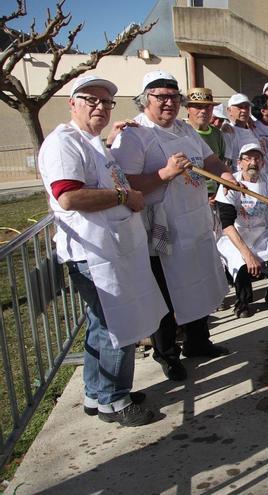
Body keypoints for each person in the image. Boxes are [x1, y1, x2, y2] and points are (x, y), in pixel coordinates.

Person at [39, 75, 164, 426]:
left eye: (107, 102)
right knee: (116, 325)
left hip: (112, 249)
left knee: (101, 323)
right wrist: (126, 197)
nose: (100, 107)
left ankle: (97, 394)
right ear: (72, 103)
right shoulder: (64, 143)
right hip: (93, 253)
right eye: (90, 100)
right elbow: (69, 196)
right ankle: (115, 401)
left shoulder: (93, 141)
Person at [112, 70, 232, 382]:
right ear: (145, 99)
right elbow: (124, 183)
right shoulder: (134, 135)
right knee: (165, 293)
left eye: (173, 97)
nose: (168, 103)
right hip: (161, 228)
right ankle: (166, 354)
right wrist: (164, 174)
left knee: (198, 281)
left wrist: (227, 174)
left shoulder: (186, 129)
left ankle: (198, 341)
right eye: (161, 97)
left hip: (194, 220)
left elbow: (209, 161)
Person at [216, 143, 268, 318]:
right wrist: (248, 254)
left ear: (263, 162)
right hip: (234, 235)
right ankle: (242, 303)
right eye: (248, 158)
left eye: (257, 158)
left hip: (260, 233)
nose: (253, 162)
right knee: (242, 262)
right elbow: (227, 224)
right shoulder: (229, 184)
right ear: (240, 163)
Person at [184, 88, 226, 197]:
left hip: (214, 195)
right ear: (188, 108)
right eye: (198, 107)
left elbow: (220, 163)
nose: (203, 111)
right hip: (187, 194)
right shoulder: (180, 132)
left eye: (207, 107)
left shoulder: (217, 134)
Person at [224, 93, 260, 165]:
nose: (244, 110)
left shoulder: (254, 128)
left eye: (246, 107)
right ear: (229, 110)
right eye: (239, 107)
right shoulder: (228, 131)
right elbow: (227, 161)